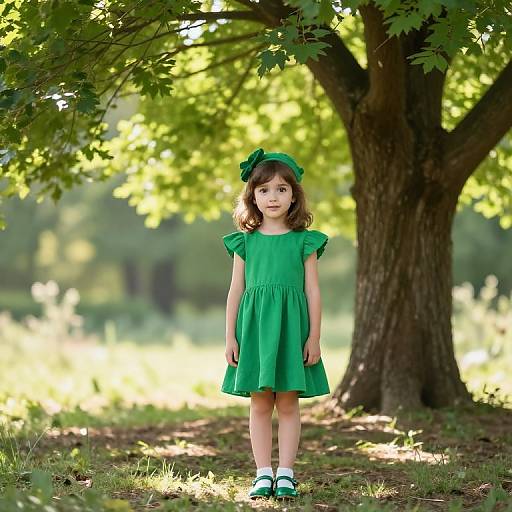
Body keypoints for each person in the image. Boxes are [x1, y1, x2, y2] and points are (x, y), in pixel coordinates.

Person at [221, 147, 330, 500]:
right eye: (264, 189)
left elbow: (312, 291)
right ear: (252, 195)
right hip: (254, 330)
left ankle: (286, 473)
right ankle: (262, 473)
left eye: (282, 189)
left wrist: (314, 336)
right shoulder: (245, 242)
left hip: (291, 329)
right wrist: (230, 336)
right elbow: (235, 291)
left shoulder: (304, 241)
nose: (273, 196)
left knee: (288, 403)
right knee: (259, 402)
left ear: (294, 196)